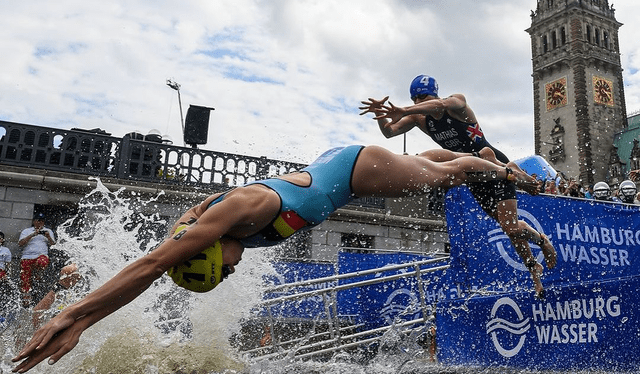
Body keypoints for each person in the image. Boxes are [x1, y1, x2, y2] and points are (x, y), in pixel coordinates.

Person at [12, 144, 539, 372]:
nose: (238, 268)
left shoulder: (247, 208)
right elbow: (174, 242)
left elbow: (150, 266)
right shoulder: (210, 225)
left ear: (214, 247)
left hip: (356, 169)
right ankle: (480, 167)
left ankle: (503, 167)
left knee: (450, 177)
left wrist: (73, 315)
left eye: (228, 267)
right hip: (333, 168)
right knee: (422, 165)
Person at [360, 75, 556, 298]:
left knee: (510, 227)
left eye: (422, 98)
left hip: (489, 162)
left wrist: (404, 110)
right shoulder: (419, 117)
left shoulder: (456, 103)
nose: (418, 104)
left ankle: (540, 235)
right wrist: (379, 114)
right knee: (508, 228)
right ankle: (534, 272)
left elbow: (441, 105)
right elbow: (389, 132)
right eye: (414, 100)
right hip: (470, 172)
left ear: (434, 94)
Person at [18, 213, 56, 307]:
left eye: (42, 221)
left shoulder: (48, 231)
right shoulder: (26, 231)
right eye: (38, 220)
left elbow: (53, 244)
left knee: (43, 261)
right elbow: (20, 243)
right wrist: (32, 235)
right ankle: (26, 300)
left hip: (40, 256)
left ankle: (38, 274)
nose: (40, 223)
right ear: (34, 221)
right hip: (27, 257)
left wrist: (48, 237)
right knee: (25, 279)